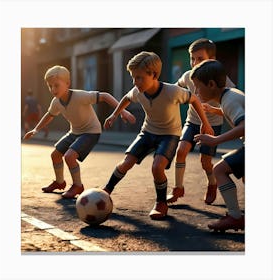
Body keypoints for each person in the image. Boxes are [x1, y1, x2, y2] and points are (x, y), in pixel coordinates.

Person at [102, 51, 212, 220]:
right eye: (133, 77)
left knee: (157, 167)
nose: (135, 82)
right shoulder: (138, 91)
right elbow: (126, 98)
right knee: (126, 162)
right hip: (147, 132)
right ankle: (106, 191)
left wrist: (205, 123)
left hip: (169, 135)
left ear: (153, 74)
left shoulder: (173, 91)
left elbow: (195, 100)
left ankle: (161, 203)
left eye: (139, 77)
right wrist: (115, 114)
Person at [23, 65, 136, 199]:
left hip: (91, 131)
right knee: (55, 155)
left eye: (56, 85)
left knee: (70, 156)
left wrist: (123, 111)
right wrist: (36, 129)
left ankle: (78, 186)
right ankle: (60, 182)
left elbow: (105, 96)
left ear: (67, 83)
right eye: (50, 86)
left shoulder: (80, 96)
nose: (53, 89)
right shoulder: (56, 102)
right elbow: (49, 115)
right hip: (75, 132)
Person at [167, 38, 235, 205]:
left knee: (205, 162)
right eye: (192, 58)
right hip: (193, 120)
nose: (194, 63)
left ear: (211, 60)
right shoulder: (188, 76)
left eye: (200, 59)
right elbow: (175, 87)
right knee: (181, 151)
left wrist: (214, 110)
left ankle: (212, 183)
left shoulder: (222, 79)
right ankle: (178, 188)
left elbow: (232, 97)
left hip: (213, 124)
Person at [192, 59, 245, 232]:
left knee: (219, 170)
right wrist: (215, 110)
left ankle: (235, 217)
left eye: (198, 87)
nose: (195, 91)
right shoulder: (230, 95)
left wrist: (215, 140)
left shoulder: (229, 100)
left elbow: (245, 125)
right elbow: (234, 110)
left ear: (212, 84)